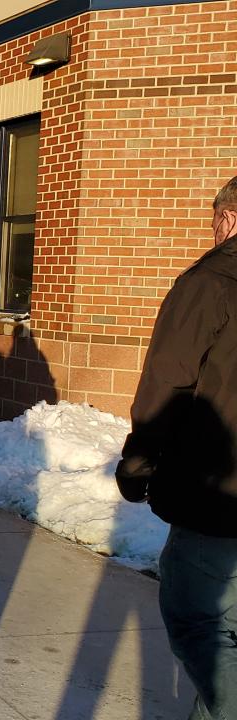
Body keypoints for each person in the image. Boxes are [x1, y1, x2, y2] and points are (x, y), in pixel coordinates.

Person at [116, 176, 237, 720]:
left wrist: (139, 464)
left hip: (219, 497)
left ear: (228, 220)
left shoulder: (210, 283)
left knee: (201, 623)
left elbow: (167, 385)